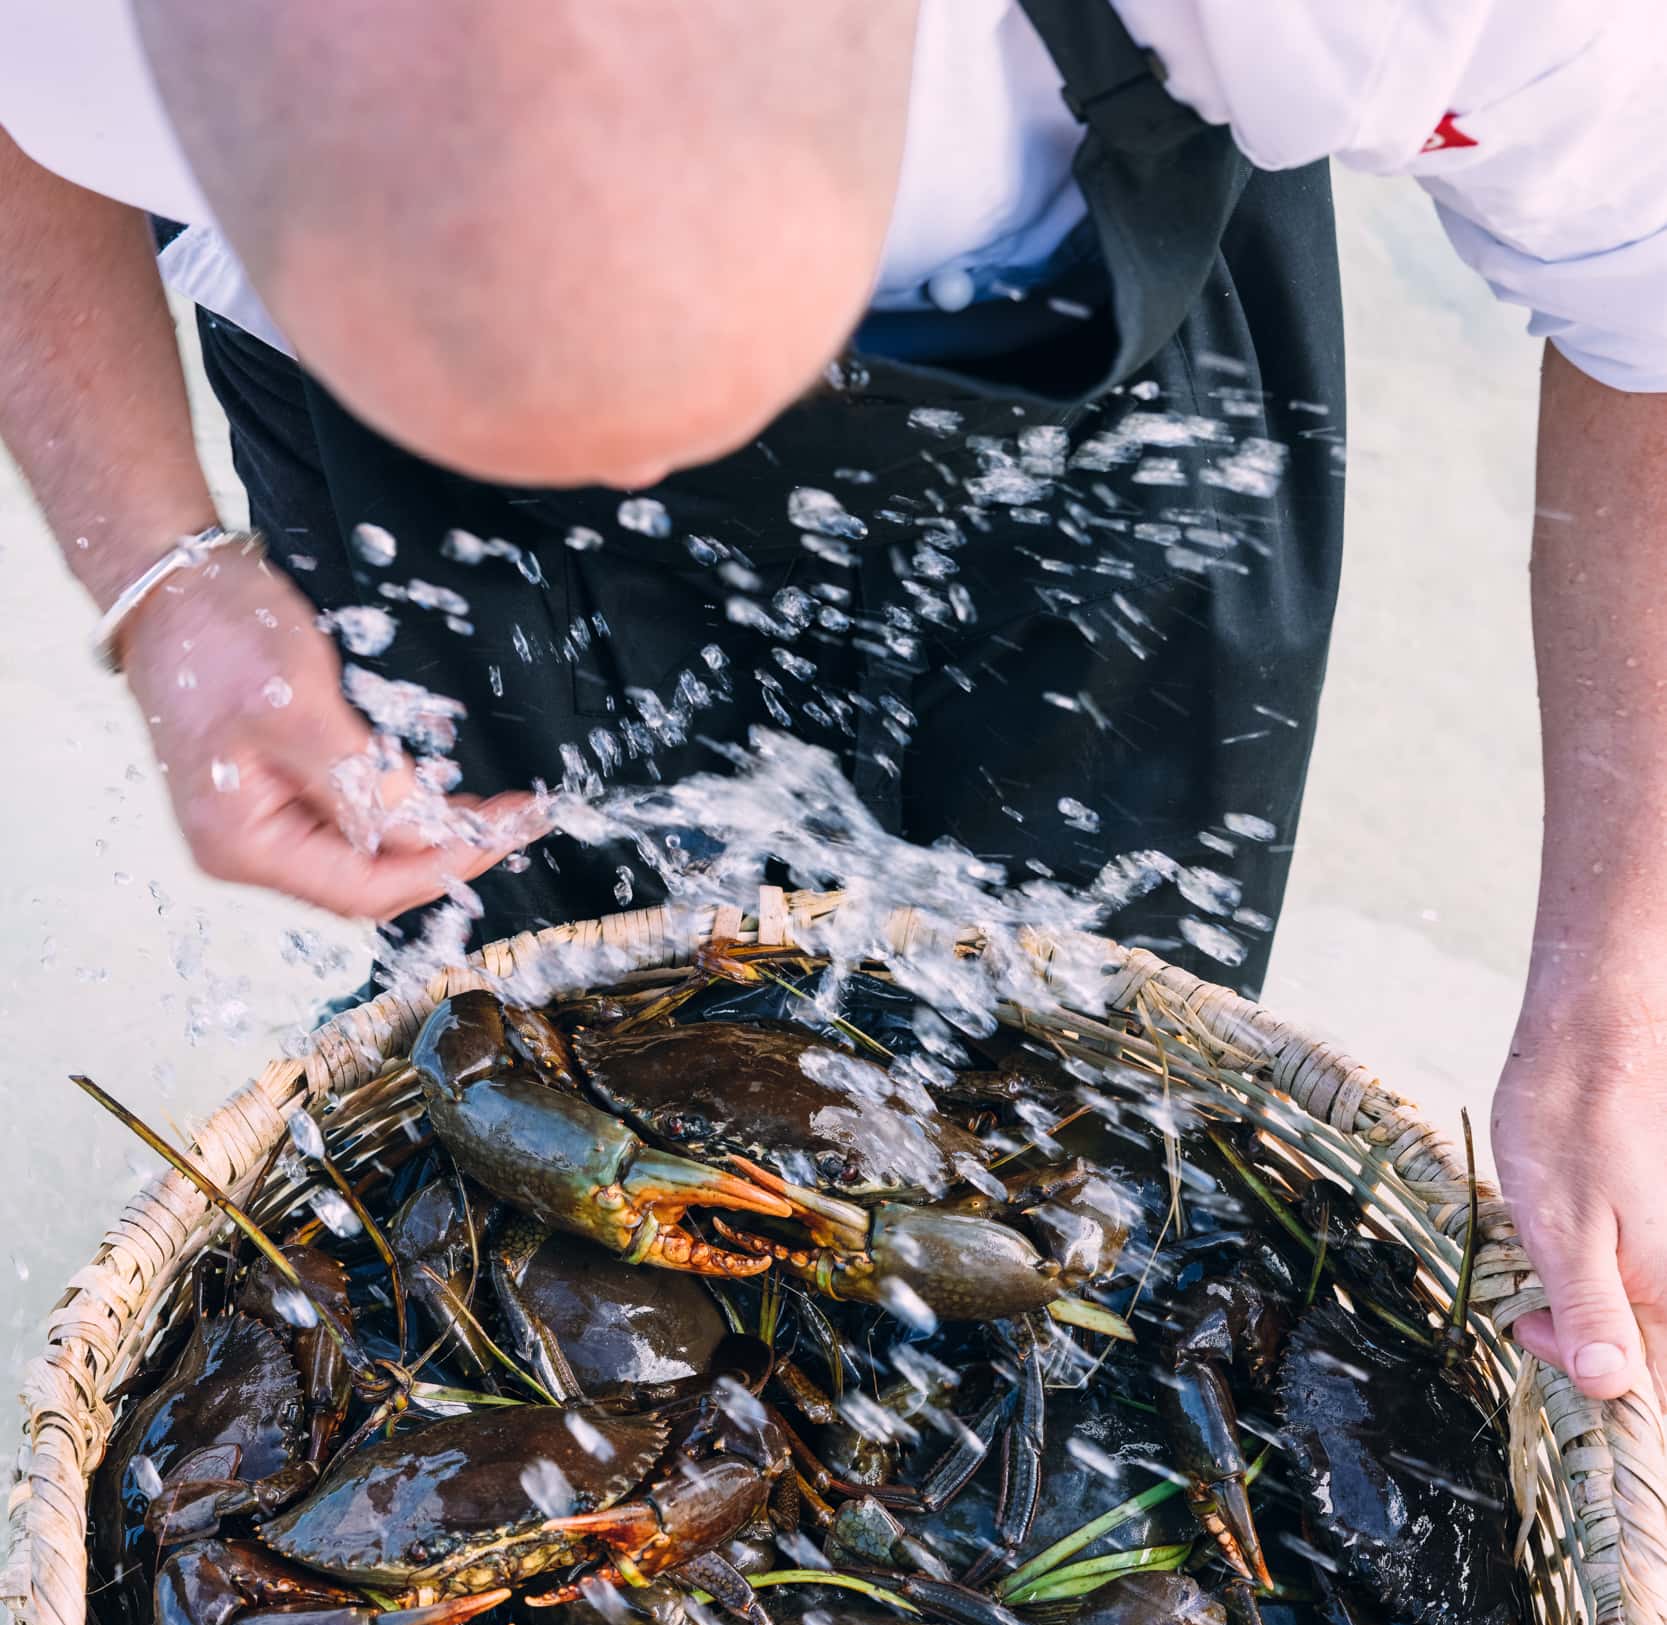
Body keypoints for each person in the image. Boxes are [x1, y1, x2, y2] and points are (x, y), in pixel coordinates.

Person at [3, 2, 1666, 1406]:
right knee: (493, 1119)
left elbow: (1647, 317)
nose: (635, 486)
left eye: (663, 393)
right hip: (368, 458)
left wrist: (1612, 995)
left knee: (1100, 1174)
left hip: (1085, 412)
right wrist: (165, 573)